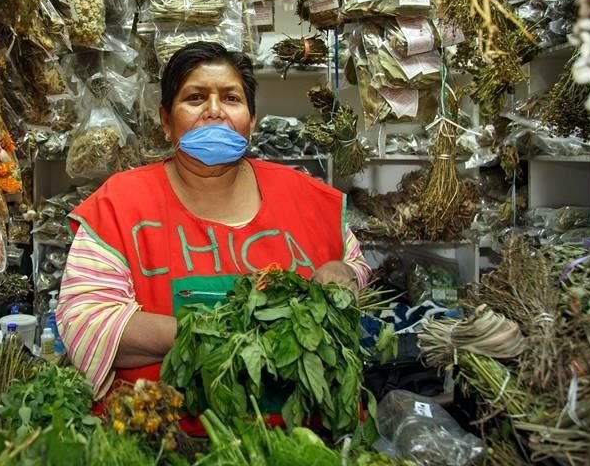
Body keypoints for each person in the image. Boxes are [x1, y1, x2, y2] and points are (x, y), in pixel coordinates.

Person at [56, 41, 370, 399]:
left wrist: (347, 275)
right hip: (163, 434)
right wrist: (228, 332)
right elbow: (86, 323)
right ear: (166, 122)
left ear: (251, 121)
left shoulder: (310, 198)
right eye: (195, 98)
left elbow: (354, 271)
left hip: (300, 439)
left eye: (232, 99)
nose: (215, 111)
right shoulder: (119, 205)